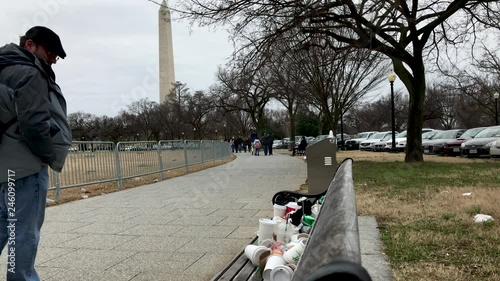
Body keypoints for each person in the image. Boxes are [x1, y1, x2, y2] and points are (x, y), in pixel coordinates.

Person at [0, 26, 72, 281]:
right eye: (51, 52)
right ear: (30, 45)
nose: (54, 59)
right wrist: (48, 156)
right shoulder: (28, 73)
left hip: (4, 168)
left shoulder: (3, 68)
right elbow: (34, 123)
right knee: (23, 235)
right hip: (26, 167)